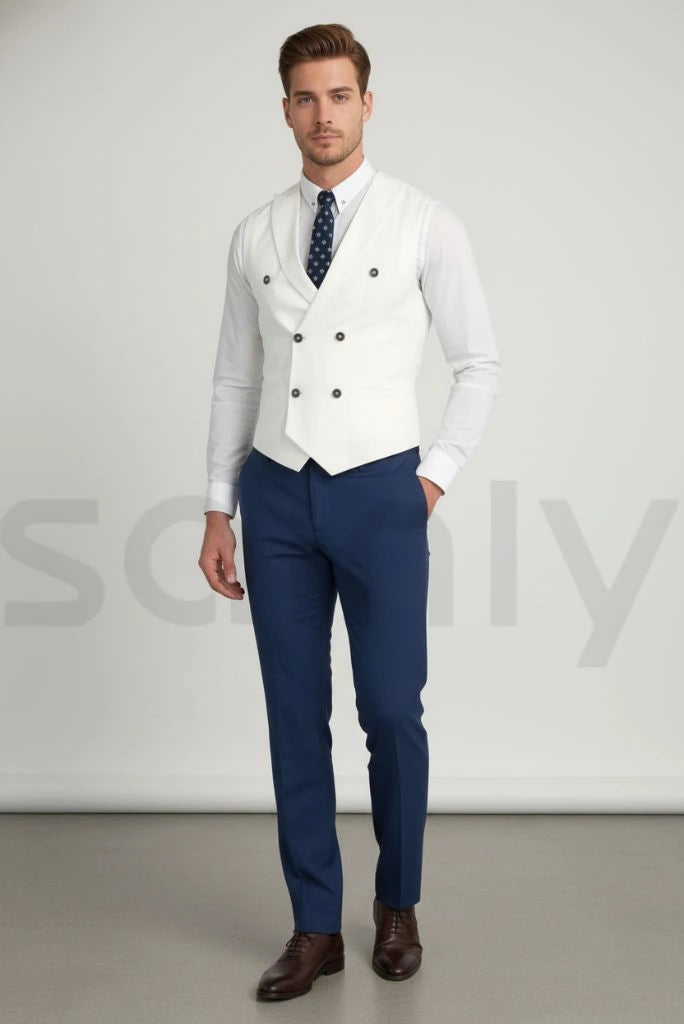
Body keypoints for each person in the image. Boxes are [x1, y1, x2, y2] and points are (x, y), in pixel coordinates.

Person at [198, 22, 502, 1002]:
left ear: (367, 103)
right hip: (276, 492)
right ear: (285, 110)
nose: (322, 114)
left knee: (391, 709)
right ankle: (315, 925)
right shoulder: (255, 233)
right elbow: (235, 377)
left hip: (380, 489)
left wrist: (432, 478)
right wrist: (218, 506)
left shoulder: (424, 222)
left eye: (338, 95)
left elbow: (478, 363)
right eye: (305, 97)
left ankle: (398, 902)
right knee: (294, 715)